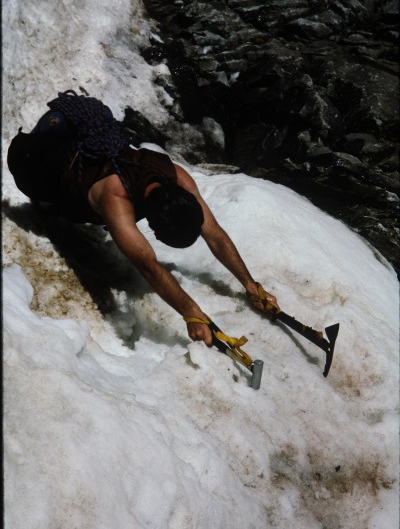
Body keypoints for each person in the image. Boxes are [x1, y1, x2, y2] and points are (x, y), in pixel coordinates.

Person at [7, 93, 280, 347]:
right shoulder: (116, 198)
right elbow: (148, 265)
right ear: (152, 225)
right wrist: (192, 313)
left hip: (89, 142)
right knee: (35, 177)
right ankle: (45, 140)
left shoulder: (177, 178)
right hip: (40, 160)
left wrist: (250, 284)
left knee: (68, 167)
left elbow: (216, 235)